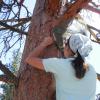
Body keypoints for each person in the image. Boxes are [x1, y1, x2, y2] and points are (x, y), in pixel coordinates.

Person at [25, 34, 97, 100]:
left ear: (69, 48)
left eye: (66, 43)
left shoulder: (62, 65)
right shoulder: (92, 70)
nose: (64, 46)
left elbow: (30, 59)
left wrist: (44, 44)